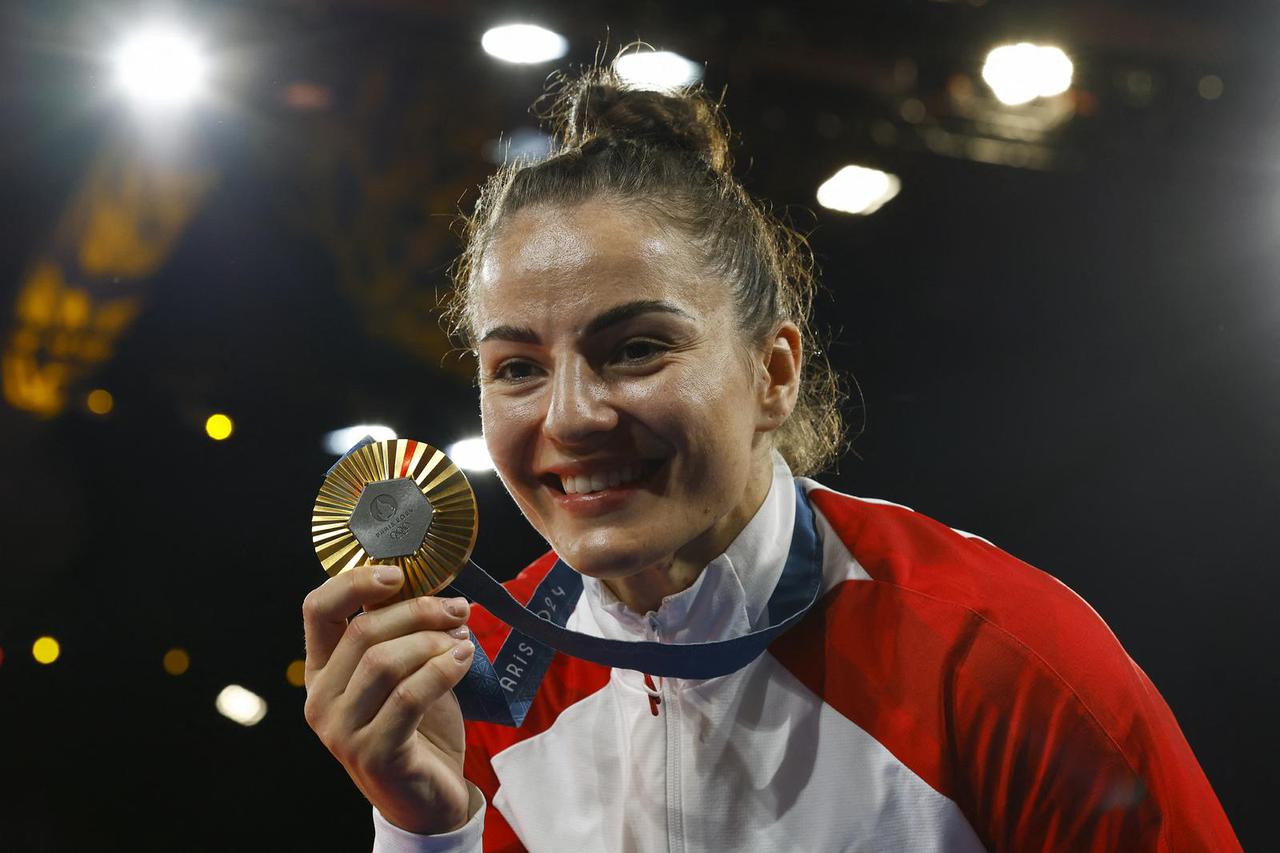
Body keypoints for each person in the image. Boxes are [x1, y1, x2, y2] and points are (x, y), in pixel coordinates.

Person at [301, 60, 1242, 852]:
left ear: (773, 372)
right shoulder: (476, 693)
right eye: (515, 366)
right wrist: (426, 828)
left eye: (635, 348)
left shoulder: (997, 658)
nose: (572, 415)